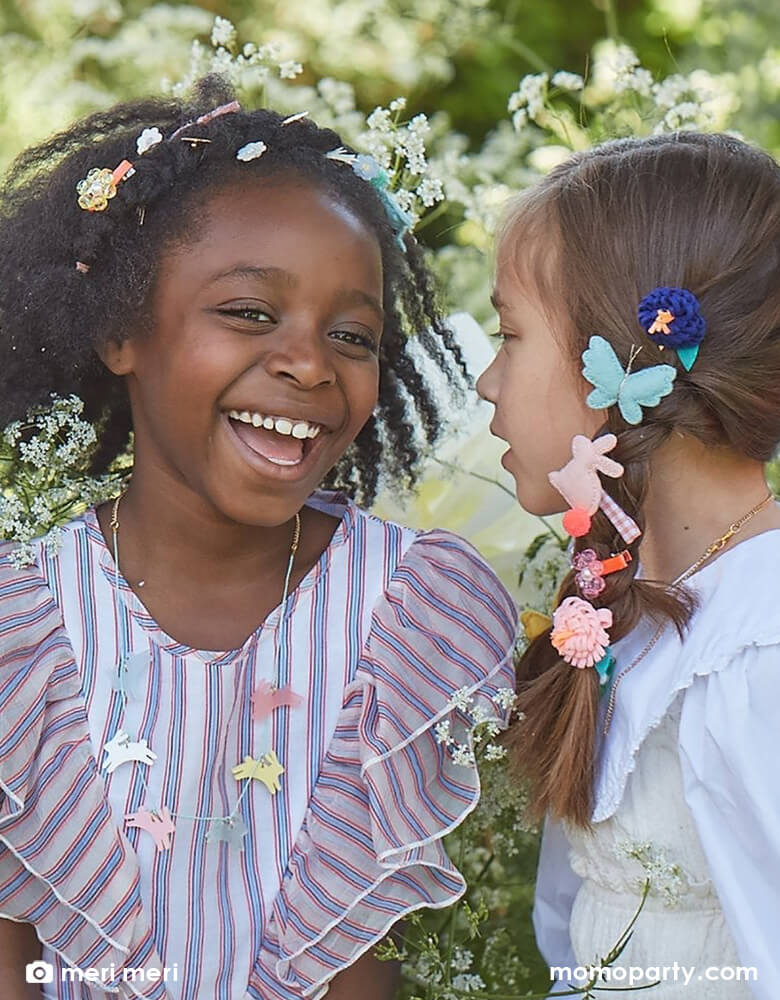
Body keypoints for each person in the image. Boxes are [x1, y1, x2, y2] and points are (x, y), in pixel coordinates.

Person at [0, 77, 518, 1000]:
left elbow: (358, 959)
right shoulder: (24, 633)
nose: (310, 363)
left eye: (353, 335)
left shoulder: (404, 615)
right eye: (249, 312)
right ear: (121, 330)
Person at [477, 132, 780, 997]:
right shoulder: (637, 600)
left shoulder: (758, 652)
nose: (487, 381)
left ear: (624, 363)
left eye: (510, 335)